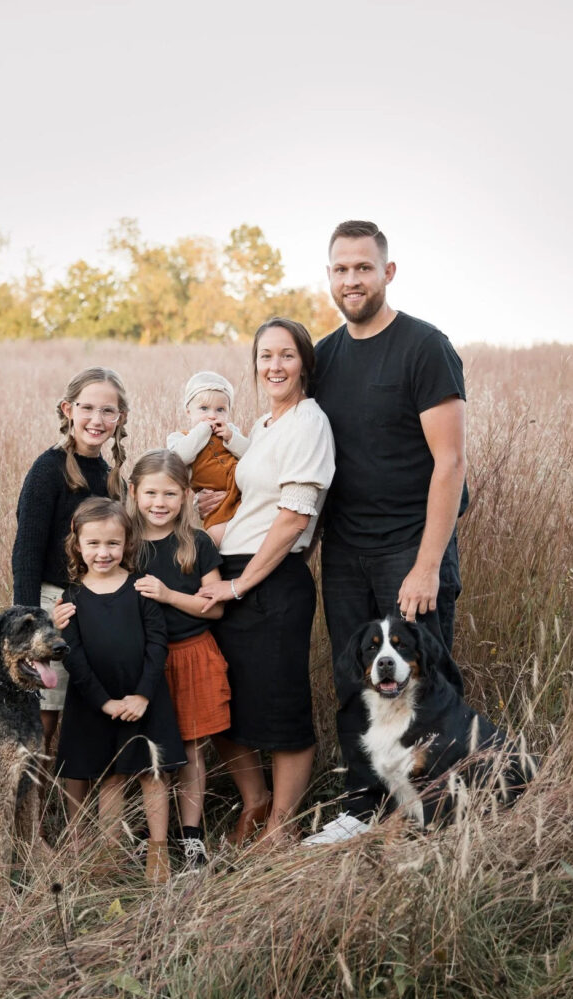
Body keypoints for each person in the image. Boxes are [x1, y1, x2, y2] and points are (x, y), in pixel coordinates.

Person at [305, 219, 468, 845]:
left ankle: (442, 811)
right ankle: (361, 806)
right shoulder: (324, 357)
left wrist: (427, 566)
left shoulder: (425, 347)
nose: (352, 280)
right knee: (356, 677)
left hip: (411, 545)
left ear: (387, 273)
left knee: (427, 679)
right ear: (329, 276)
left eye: (363, 268)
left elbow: (450, 462)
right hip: (345, 548)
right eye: (341, 269)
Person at [55, 449, 232, 870]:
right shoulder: (122, 538)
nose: (159, 502)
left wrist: (168, 596)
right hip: (133, 665)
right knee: (125, 761)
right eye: (151, 493)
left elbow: (216, 608)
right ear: (133, 492)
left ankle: (189, 838)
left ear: (185, 495)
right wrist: (56, 619)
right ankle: (122, 843)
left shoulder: (195, 542)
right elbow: (93, 592)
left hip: (186, 653)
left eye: (170, 494)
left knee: (186, 748)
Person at [198, 317, 335, 846]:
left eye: (287, 355)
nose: (275, 366)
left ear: (305, 364)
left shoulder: (308, 423)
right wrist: (209, 522)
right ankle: (254, 803)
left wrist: (240, 587)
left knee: (280, 707)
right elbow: (256, 504)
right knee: (221, 701)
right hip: (233, 572)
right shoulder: (264, 425)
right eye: (265, 356)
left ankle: (280, 826)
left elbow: (295, 517)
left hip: (269, 584)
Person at [55, 497, 185, 883]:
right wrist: (104, 702)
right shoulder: (71, 599)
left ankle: (158, 855)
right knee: (109, 777)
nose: (103, 552)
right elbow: (73, 657)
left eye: (113, 543)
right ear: (77, 545)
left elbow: (157, 644)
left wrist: (142, 695)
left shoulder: (140, 588)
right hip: (97, 702)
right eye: (93, 543)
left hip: (144, 697)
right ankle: (109, 856)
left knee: (152, 774)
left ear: (127, 543)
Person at [11, 367, 128, 766]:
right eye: (88, 408)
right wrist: (28, 624)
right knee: (43, 716)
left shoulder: (112, 478)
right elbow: (27, 552)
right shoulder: (48, 469)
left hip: (97, 605)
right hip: (51, 607)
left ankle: (79, 798)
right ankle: (28, 804)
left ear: (120, 418)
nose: (97, 419)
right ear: (68, 410)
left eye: (108, 411)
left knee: (88, 710)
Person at [167, 370, 249, 545]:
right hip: (215, 502)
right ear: (188, 411)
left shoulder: (231, 432)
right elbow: (180, 458)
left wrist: (231, 438)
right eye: (204, 409)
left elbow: (251, 455)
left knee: (247, 528)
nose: (212, 415)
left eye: (220, 410)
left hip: (242, 493)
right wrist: (202, 430)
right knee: (217, 536)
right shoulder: (179, 438)